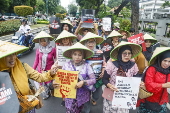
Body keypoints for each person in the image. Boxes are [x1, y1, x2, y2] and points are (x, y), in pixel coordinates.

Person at [0, 40, 58, 113]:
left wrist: (51, 72)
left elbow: (40, 77)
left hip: (28, 107)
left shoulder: (23, 66)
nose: (13, 58)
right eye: (8, 55)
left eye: (14, 54)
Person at [53, 42, 96, 113]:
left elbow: (93, 80)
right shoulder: (66, 66)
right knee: (70, 110)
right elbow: (61, 80)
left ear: (83, 56)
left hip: (82, 96)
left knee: (79, 110)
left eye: (80, 55)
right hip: (69, 95)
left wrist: (83, 82)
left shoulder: (86, 66)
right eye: (75, 54)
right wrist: (55, 82)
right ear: (71, 55)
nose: (77, 57)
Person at [102, 41, 142, 113]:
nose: (127, 55)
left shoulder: (133, 65)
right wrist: (109, 85)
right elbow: (104, 79)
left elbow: (136, 77)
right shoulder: (111, 65)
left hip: (125, 96)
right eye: (124, 53)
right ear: (120, 54)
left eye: (129, 53)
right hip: (111, 95)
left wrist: (139, 82)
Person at [138, 47, 170, 113]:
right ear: (160, 59)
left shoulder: (168, 71)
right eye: (165, 60)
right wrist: (164, 85)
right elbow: (149, 85)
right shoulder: (152, 69)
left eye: (169, 61)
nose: (167, 64)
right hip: (149, 101)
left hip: (162, 102)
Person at [80, 32, 105, 112]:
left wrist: (103, 70)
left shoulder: (99, 52)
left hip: (97, 78)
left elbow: (104, 63)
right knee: (86, 97)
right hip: (86, 79)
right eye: (88, 42)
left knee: (97, 96)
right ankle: (86, 110)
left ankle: (93, 98)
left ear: (95, 43)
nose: (90, 44)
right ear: (85, 43)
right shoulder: (82, 53)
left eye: (92, 41)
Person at [54, 30, 77, 106]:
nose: (65, 40)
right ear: (61, 40)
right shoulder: (59, 47)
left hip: (72, 68)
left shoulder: (74, 46)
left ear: (70, 39)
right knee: (62, 84)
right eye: (63, 39)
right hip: (61, 68)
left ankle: (72, 98)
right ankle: (64, 99)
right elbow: (58, 58)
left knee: (71, 85)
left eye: (67, 38)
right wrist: (55, 65)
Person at [32, 31, 56, 100]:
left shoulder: (53, 49)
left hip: (50, 71)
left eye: (44, 41)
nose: (42, 43)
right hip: (41, 70)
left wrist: (55, 68)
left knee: (50, 83)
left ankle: (51, 90)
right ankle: (46, 93)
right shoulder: (38, 50)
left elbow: (56, 60)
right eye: (41, 41)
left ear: (47, 40)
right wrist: (32, 70)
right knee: (43, 83)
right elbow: (36, 61)